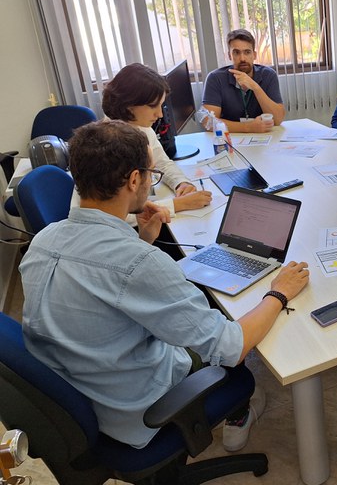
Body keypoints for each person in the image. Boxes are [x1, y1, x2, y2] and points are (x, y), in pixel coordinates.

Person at [21, 121, 310, 452]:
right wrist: (278, 292)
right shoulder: (139, 263)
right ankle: (241, 407)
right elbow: (232, 348)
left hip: (74, 394)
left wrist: (142, 239)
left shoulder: (43, 240)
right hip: (132, 409)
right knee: (231, 325)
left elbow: (96, 291)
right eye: (150, 174)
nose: (150, 181)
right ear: (133, 180)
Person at [99, 63, 212, 217]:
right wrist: (178, 204)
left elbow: (162, 164)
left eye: (161, 105)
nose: (159, 114)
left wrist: (181, 183)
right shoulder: (105, 146)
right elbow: (114, 216)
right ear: (129, 105)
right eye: (154, 106)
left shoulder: (140, 126)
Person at [202, 29, 285, 133]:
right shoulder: (215, 78)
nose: (242, 58)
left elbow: (277, 120)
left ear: (254, 55)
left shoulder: (268, 75)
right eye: (236, 53)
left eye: (247, 52)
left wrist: (255, 87)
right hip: (229, 138)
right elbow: (208, 122)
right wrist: (248, 127)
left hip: (263, 138)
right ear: (229, 55)